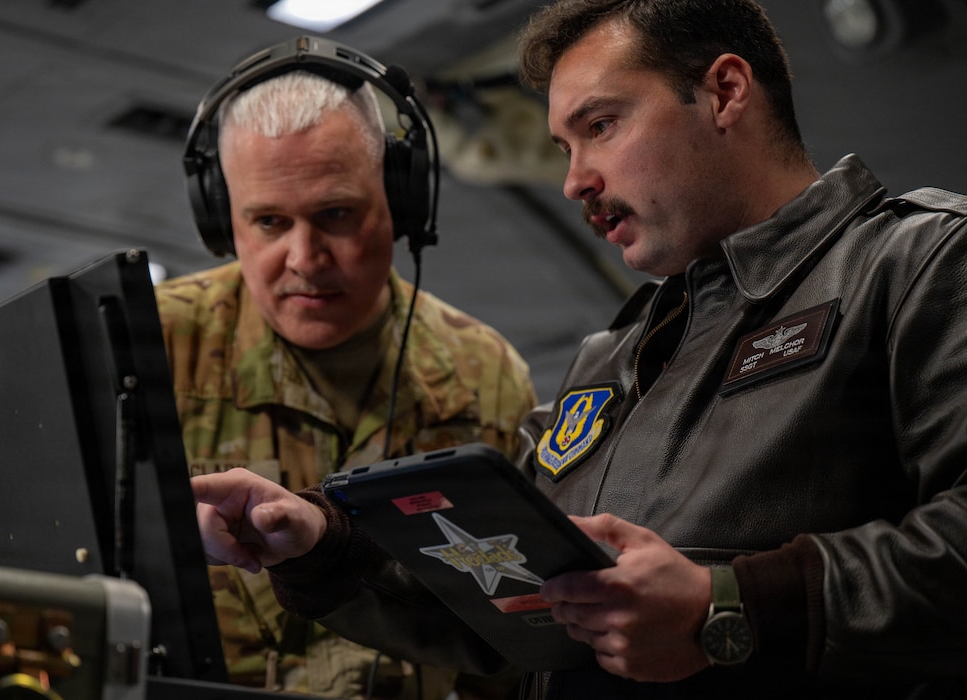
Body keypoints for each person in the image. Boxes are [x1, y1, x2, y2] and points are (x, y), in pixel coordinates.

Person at [190, 1, 967, 698]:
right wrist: (321, 544)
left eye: (600, 126)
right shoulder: (615, 356)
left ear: (726, 92)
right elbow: (510, 606)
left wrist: (727, 607)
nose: (574, 181)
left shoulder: (915, 265)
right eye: (564, 145)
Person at [0, 52, 538, 700]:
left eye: (336, 215)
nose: (304, 259)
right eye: (269, 222)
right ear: (222, 218)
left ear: (401, 200)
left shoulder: (484, 377)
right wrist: (110, 523)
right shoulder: (134, 345)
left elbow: (518, 641)